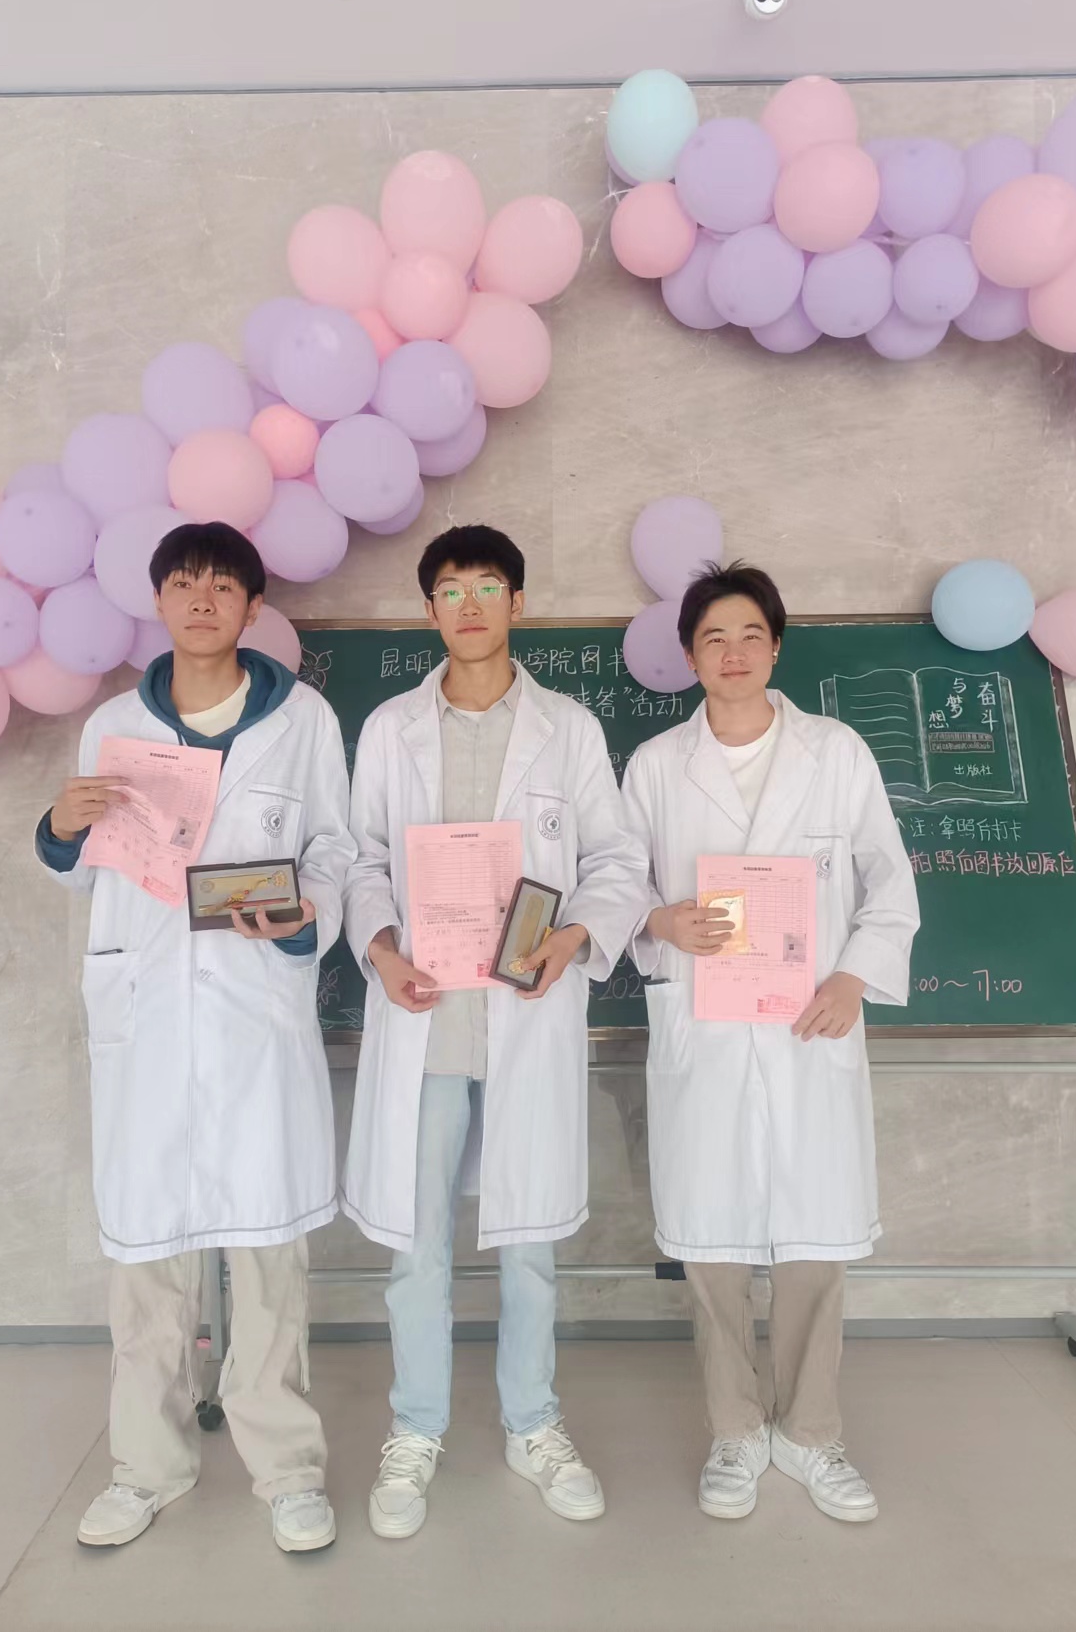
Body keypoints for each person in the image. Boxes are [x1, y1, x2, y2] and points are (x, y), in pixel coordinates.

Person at [34, 521, 353, 1555]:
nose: (202, 599)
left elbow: (336, 849)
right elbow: (80, 864)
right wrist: (61, 826)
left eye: (223, 584)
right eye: (184, 583)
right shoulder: (113, 723)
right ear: (158, 600)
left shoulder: (301, 720)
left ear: (254, 606)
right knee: (148, 1258)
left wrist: (306, 914)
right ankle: (147, 1467)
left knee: (266, 1254)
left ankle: (287, 1470)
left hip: (254, 1012)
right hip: (148, 1015)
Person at [341, 524, 648, 1539]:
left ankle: (533, 1423)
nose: (467, 605)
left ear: (518, 602)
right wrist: (381, 947)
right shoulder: (390, 726)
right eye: (449, 589)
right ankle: (416, 1427)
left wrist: (576, 937)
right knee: (417, 1245)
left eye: (486, 587)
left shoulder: (568, 729)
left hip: (524, 1008)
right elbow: (361, 859)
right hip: (427, 1017)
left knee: (529, 1244)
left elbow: (615, 860)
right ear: (429, 608)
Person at [621, 563, 919, 1525]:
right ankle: (736, 1432)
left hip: (807, 1029)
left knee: (814, 1240)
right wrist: (660, 920)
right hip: (706, 1032)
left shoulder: (836, 752)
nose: (734, 652)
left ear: (777, 646)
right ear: (690, 656)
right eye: (714, 637)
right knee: (711, 1244)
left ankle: (813, 1434)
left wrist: (853, 976)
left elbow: (891, 883)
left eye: (751, 634)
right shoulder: (657, 765)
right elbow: (618, 884)